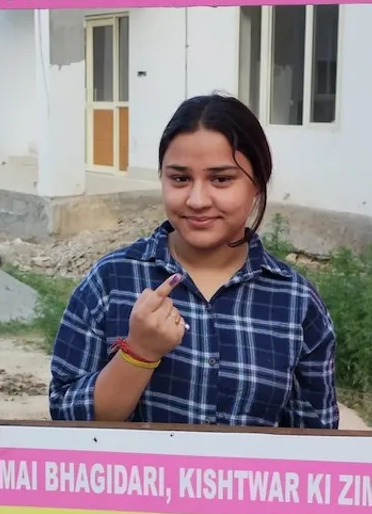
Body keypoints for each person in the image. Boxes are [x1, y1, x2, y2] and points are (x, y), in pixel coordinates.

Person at [49, 93, 339, 429]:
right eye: (180, 178)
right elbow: (66, 421)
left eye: (221, 179)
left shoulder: (297, 303)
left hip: (246, 484)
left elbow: (317, 446)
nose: (197, 200)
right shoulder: (111, 282)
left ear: (257, 184)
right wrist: (138, 354)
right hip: (140, 484)